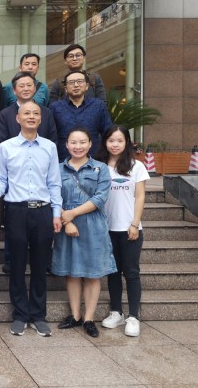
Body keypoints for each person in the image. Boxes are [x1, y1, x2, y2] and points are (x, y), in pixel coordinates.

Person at [0, 101, 62, 338]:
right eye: (26, 113)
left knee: (40, 265)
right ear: (17, 118)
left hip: (43, 210)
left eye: (35, 113)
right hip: (16, 210)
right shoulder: (6, 147)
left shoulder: (49, 147)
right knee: (17, 265)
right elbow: (1, 179)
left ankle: (38, 315)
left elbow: (54, 183)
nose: (31, 116)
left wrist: (56, 213)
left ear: (41, 119)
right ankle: (19, 315)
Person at [53, 127, 116, 338]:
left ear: (90, 144)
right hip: (66, 223)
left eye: (82, 142)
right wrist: (67, 220)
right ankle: (75, 315)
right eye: (73, 142)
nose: (77, 146)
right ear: (66, 145)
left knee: (92, 273)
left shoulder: (101, 168)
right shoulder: (57, 169)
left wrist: (72, 214)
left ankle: (89, 319)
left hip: (92, 223)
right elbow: (53, 196)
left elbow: (100, 198)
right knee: (72, 272)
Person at [97, 125, 149, 337]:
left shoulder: (136, 166)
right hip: (106, 229)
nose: (115, 144)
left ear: (127, 142)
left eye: (119, 140)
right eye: (111, 140)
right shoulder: (99, 166)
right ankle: (116, 312)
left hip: (129, 229)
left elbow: (140, 196)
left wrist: (135, 224)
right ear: (105, 142)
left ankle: (133, 316)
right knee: (113, 272)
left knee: (131, 272)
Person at [51, 70, 112, 161]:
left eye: (80, 81)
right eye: (71, 82)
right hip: (62, 161)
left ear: (87, 86)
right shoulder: (55, 107)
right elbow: (51, 136)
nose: (76, 85)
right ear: (66, 88)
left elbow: (108, 133)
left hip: (94, 160)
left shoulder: (98, 105)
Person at [0, 71, 57, 145]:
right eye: (21, 86)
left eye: (29, 85)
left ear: (35, 88)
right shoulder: (4, 115)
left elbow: (53, 140)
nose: (26, 89)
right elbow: (2, 143)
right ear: (14, 90)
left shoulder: (46, 112)